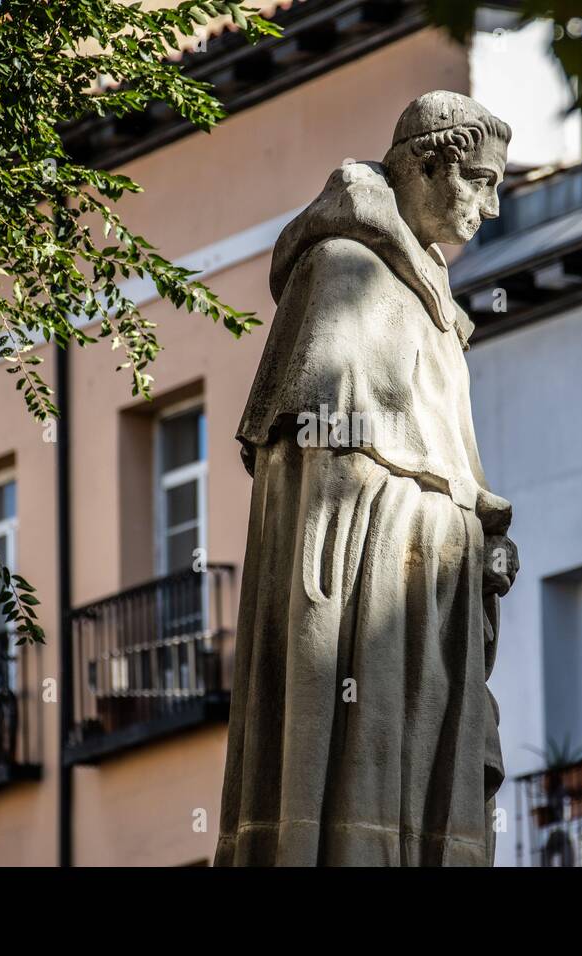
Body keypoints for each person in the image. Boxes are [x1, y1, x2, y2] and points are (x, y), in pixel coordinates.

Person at [215, 91, 519, 866]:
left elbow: (442, 466)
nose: (490, 206)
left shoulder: (437, 311)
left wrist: (479, 541)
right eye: (479, 180)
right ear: (426, 162)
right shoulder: (343, 271)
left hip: (423, 604)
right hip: (364, 605)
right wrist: (448, 523)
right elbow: (325, 486)